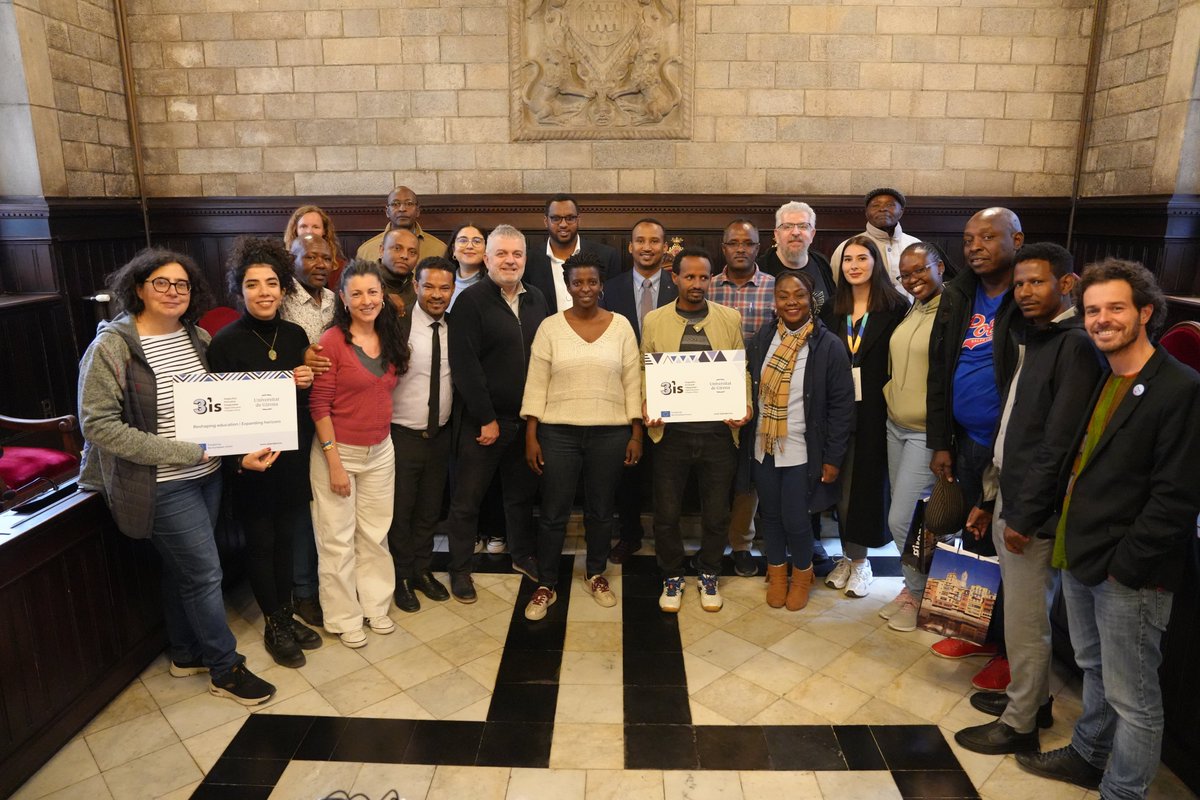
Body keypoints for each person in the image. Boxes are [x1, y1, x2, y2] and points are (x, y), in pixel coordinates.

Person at [1015, 259, 1200, 799]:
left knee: (1134, 697)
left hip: (1129, 571)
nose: (1101, 320)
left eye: (1115, 308)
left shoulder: (1180, 388)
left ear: (1146, 312)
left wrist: (1126, 566)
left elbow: (1176, 497)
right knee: (1092, 667)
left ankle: (1123, 791)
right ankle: (1088, 756)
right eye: (1093, 310)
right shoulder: (1104, 374)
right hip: (1080, 551)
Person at [77, 248, 276, 704]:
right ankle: (225, 669)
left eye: (182, 284)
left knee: (183, 569)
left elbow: (219, 409)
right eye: (161, 283)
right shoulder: (112, 345)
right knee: (205, 573)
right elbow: (99, 425)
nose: (173, 292)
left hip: (207, 474)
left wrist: (235, 451)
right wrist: (184, 451)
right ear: (139, 288)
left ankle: (186, 653)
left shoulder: (198, 337)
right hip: (161, 484)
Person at [955, 242, 1103, 755]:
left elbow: (1057, 444)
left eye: (1036, 282)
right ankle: (1032, 698)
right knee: (1023, 614)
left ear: (1067, 283)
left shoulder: (1077, 345)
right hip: (1010, 495)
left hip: (1032, 512)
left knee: (1024, 621)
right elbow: (1015, 425)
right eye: (1019, 284)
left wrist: (1022, 513)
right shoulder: (1039, 338)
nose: (1025, 292)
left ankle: (1020, 724)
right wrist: (990, 497)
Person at [206, 237, 323, 668]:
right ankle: (274, 624)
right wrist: (240, 459)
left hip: (290, 454)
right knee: (261, 542)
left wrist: (306, 380)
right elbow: (221, 411)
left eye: (271, 283)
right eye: (253, 284)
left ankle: (287, 616)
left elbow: (300, 395)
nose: (264, 292)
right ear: (240, 290)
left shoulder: (295, 336)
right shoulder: (224, 343)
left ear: (284, 287)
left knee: (288, 539)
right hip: (250, 461)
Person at [926, 207, 1025, 689]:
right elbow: (940, 368)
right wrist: (940, 439)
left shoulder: (1026, 296)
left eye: (988, 237)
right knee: (976, 538)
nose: (975, 246)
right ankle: (976, 630)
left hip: (1013, 448)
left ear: (1017, 240)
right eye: (968, 239)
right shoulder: (960, 293)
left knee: (1013, 547)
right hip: (966, 441)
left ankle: (1011, 649)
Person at [520, 252, 643, 619]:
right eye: (578, 282)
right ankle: (546, 583)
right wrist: (531, 433)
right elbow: (537, 381)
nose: (585, 288)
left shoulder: (621, 326)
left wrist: (635, 432)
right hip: (558, 433)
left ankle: (596, 572)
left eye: (591, 282)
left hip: (610, 433)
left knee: (601, 511)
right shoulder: (550, 328)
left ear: (601, 285)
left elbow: (632, 380)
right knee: (554, 511)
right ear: (568, 285)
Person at [641, 248, 752, 613]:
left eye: (703, 277)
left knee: (717, 513)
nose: (696, 284)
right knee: (667, 512)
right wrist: (647, 405)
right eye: (689, 277)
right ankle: (671, 575)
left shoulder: (728, 318)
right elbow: (645, 370)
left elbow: (741, 369)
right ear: (674, 277)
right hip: (671, 434)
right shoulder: (654, 320)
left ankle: (709, 572)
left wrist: (745, 404)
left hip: (719, 434)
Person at [739, 271, 854, 610]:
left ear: (811, 299)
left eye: (799, 295)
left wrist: (833, 458)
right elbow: (747, 387)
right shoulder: (762, 339)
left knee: (796, 518)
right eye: (784, 295)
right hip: (764, 446)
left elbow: (841, 407)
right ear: (774, 302)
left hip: (802, 449)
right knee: (770, 517)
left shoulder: (827, 344)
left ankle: (802, 575)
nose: (791, 302)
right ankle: (777, 574)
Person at [445, 225, 549, 603]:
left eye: (516, 255)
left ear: (525, 259)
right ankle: (459, 570)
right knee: (467, 500)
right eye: (501, 254)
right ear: (486, 259)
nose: (509, 261)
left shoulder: (537, 298)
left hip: (526, 421)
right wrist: (485, 416)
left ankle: (521, 555)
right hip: (484, 422)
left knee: (521, 497)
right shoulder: (470, 302)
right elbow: (465, 365)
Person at [309, 260, 406, 648]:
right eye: (357, 294)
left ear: (382, 296)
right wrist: (334, 462)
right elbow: (319, 406)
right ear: (344, 300)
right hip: (339, 453)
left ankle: (375, 605)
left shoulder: (391, 335)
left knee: (374, 533)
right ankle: (344, 617)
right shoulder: (331, 341)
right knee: (336, 537)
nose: (366, 300)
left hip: (381, 450)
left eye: (372, 292)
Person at [826, 236, 909, 598]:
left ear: (876, 263)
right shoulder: (831, 309)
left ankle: (862, 563)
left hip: (877, 410)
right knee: (840, 487)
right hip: (837, 410)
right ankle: (848, 555)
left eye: (862, 258)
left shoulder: (896, 307)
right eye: (848, 260)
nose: (854, 265)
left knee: (867, 488)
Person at [878, 242, 948, 632]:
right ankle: (911, 587)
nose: (912, 279)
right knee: (908, 520)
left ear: (939, 267)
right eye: (905, 274)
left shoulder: (951, 312)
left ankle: (922, 598)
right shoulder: (913, 308)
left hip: (925, 433)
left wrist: (943, 440)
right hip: (896, 426)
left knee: (903, 519)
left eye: (920, 270)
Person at [600, 218, 677, 563]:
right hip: (621, 391)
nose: (647, 247)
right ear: (630, 247)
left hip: (672, 393)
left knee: (666, 473)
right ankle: (629, 535)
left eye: (655, 241)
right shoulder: (609, 289)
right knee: (625, 470)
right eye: (640, 241)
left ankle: (666, 538)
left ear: (665, 247)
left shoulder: (680, 286)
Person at [388, 257, 456, 613]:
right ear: (416, 286)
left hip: (440, 435)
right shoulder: (396, 327)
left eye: (444, 287)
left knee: (430, 509)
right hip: (401, 435)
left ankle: (422, 570)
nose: (436, 294)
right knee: (401, 512)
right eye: (429, 286)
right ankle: (399, 576)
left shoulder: (455, 327)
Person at [710, 219, 776, 578]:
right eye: (733, 242)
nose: (740, 249)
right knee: (717, 470)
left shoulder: (775, 287)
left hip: (762, 390)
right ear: (723, 248)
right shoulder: (707, 286)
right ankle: (711, 542)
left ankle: (741, 544)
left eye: (747, 243)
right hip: (713, 390)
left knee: (749, 474)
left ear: (757, 247)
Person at [279, 233, 336, 628]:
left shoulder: (335, 301)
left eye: (325, 258)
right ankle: (302, 590)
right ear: (293, 260)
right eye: (310, 256)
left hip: (333, 412)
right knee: (301, 505)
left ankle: (326, 583)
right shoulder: (278, 301)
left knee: (326, 503)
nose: (318, 264)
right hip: (293, 412)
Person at [525, 194, 623, 312]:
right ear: (546, 221)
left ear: (578, 220)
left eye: (570, 218)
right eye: (556, 218)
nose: (563, 224)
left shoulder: (606, 256)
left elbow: (614, 303)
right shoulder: (529, 261)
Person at [757, 201, 837, 328]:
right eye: (787, 226)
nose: (795, 232)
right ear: (776, 235)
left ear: (812, 234)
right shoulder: (761, 268)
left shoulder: (822, 263)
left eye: (803, 226)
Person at [830, 188, 922, 295]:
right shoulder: (847, 247)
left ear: (901, 212)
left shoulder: (917, 246)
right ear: (866, 212)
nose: (883, 209)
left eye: (890, 205)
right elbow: (837, 285)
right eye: (875, 205)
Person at [355, 185, 446, 263]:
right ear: (387, 211)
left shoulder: (439, 249)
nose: (402, 209)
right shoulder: (366, 251)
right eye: (395, 204)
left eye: (409, 203)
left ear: (418, 211)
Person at [284, 205, 346, 288]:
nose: (309, 231)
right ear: (295, 230)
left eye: (315, 227)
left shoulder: (339, 267)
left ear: (324, 231)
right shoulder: (283, 265)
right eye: (303, 226)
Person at [379, 227, 421, 316]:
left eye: (412, 252)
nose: (405, 256)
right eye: (397, 248)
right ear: (382, 250)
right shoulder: (362, 282)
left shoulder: (417, 291)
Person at [446, 222, 488, 308]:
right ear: (453, 249)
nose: (469, 246)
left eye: (477, 241)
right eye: (463, 241)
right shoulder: (442, 284)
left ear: (486, 249)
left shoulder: (494, 285)